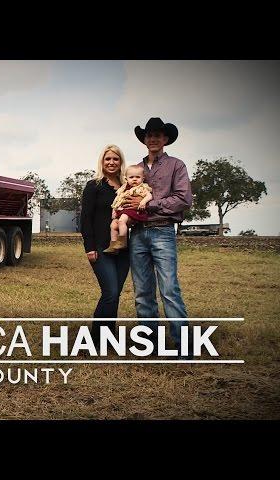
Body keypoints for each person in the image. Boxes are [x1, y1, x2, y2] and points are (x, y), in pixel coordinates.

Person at [122, 117, 192, 356]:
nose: (152, 138)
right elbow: (124, 196)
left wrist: (151, 205)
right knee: (142, 291)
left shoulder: (176, 165)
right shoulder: (135, 170)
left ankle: (184, 346)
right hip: (137, 233)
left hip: (162, 230)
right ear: (144, 139)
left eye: (158, 135)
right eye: (149, 135)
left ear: (165, 139)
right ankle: (149, 344)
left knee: (169, 289)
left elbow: (183, 199)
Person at [79, 145, 130, 347]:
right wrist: (89, 247)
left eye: (115, 159)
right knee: (109, 292)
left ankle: (109, 338)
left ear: (120, 162)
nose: (111, 162)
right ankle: (95, 340)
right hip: (101, 247)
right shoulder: (94, 186)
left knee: (115, 294)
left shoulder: (128, 187)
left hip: (125, 248)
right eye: (107, 159)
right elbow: (86, 219)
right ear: (102, 161)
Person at [103, 164, 153, 254]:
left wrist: (143, 202)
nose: (134, 179)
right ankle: (113, 245)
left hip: (132, 210)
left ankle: (123, 241)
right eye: (131, 177)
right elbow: (117, 200)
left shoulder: (142, 188)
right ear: (126, 178)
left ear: (143, 178)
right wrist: (114, 210)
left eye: (138, 177)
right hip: (122, 210)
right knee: (113, 225)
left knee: (122, 221)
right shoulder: (123, 189)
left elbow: (149, 196)